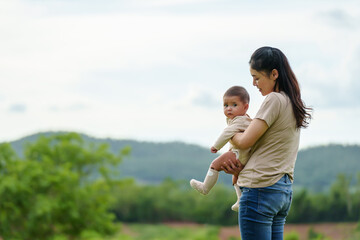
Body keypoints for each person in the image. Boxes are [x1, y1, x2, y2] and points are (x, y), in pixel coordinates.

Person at [221, 46, 312, 240]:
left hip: (260, 190)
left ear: (274, 74)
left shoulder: (274, 99)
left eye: (256, 77)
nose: (253, 83)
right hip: (282, 190)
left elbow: (244, 142)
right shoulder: (292, 102)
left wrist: (230, 130)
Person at [190, 86, 252, 212]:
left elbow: (227, 133)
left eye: (234, 105)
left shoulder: (240, 120)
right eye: (225, 105)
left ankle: (205, 187)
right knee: (236, 177)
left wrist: (216, 146)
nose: (229, 108)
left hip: (238, 154)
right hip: (244, 155)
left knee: (215, 164)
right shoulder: (244, 120)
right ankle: (240, 199)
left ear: (245, 107)